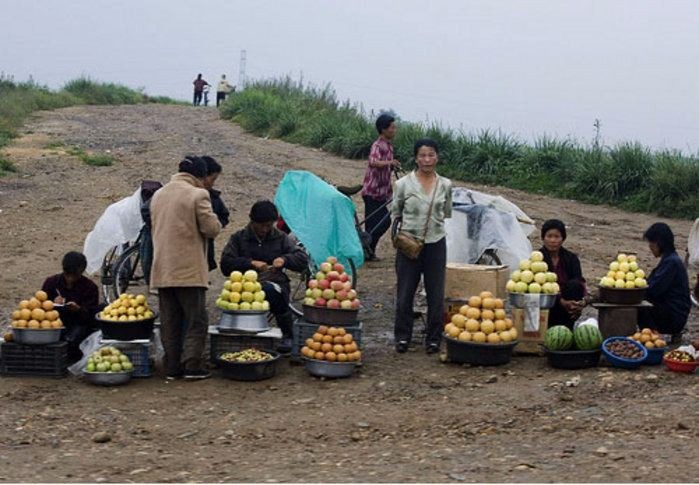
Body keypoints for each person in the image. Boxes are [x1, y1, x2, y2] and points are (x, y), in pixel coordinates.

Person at [150, 157, 222, 380]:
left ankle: (172, 367)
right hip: (188, 270)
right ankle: (192, 365)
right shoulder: (197, 194)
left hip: (163, 269)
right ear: (199, 176)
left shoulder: (158, 194)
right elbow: (211, 229)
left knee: (170, 321)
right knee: (196, 320)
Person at [220, 200, 309, 353]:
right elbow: (226, 264)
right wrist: (250, 263)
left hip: (274, 282)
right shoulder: (239, 238)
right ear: (252, 220)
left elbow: (301, 258)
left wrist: (285, 260)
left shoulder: (280, 237)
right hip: (243, 285)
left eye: (269, 225)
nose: (265, 229)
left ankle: (287, 334)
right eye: (261, 225)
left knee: (272, 291)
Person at [391, 139, 452, 354]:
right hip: (408, 244)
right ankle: (402, 337)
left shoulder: (445, 184)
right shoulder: (403, 184)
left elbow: (445, 213)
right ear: (416, 158)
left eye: (431, 155)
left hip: (436, 243)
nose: (427, 160)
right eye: (423, 155)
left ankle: (434, 338)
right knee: (405, 292)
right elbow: (396, 212)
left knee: (436, 293)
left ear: (437, 157)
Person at [42, 252, 102, 363]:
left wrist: (78, 309)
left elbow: (90, 316)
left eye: (74, 276)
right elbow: (40, 308)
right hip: (55, 323)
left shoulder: (90, 287)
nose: (70, 279)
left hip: (77, 324)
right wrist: (52, 303)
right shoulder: (51, 283)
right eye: (67, 274)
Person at [638, 223, 691, 336]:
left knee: (639, 304)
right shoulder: (670, 260)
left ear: (657, 243)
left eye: (650, 243)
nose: (650, 247)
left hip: (674, 318)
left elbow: (652, 290)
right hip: (671, 312)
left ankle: (651, 336)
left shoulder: (671, 263)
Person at [361, 114, 401, 261]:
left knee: (378, 223)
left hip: (382, 192)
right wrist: (389, 163)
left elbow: (384, 166)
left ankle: (369, 251)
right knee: (380, 223)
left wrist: (392, 165)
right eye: (392, 127)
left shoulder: (389, 146)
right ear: (383, 129)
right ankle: (366, 250)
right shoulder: (377, 145)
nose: (394, 130)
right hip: (372, 191)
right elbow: (373, 162)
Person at [539, 219, 587, 329]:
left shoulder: (571, 258)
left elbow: (579, 281)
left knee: (574, 285)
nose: (553, 240)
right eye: (549, 236)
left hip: (568, 303)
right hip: (549, 304)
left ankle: (568, 324)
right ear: (543, 238)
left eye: (557, 237)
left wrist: (580, 303)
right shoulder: (537, 259)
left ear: (563, 239)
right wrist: (561, 301)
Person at [201, 155, 230, 271]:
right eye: (212, 179)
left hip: (206, 245)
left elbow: (224, 216)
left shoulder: (213, 197)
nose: (213, 183)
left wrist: (215, 226)